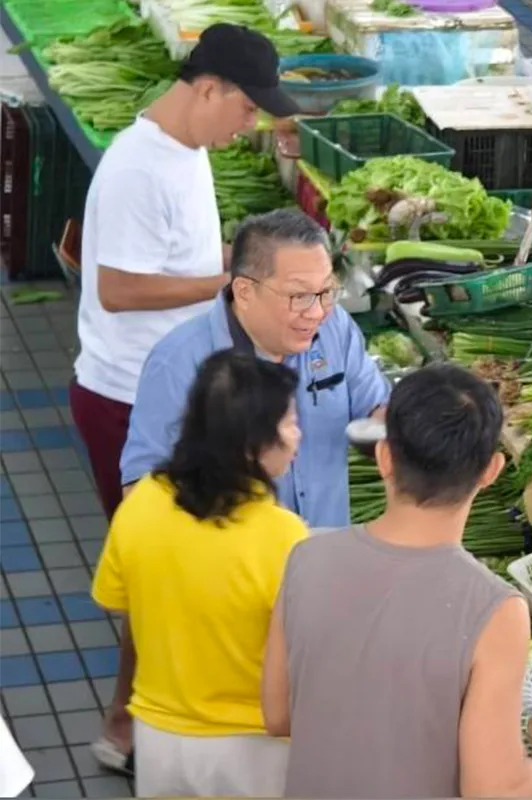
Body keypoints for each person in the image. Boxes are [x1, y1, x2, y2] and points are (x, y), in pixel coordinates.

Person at [261, 364, 532, 799]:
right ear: (491, 470)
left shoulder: (306, 558)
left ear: (385, 457)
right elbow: (493, 791)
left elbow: (278, 715)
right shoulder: (494, 609)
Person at [75, 24, 301, 771]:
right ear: (208, 89)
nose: (250, 123)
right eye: (247, 108)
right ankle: (125, 722)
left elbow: (175, 261)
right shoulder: (140, 168)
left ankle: (154, 714)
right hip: (128, 397)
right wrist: (229, 282)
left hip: (175, 384)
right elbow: (117, 289)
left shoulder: (187, 149)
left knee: (185, 555)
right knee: (161, 562)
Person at [101, 208, 388, 779]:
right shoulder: (180, 363)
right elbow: (141, 489)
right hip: (220, 603)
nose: (317, 312)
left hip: (315, 571)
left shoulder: (334, 331)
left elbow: (375, 405)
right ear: (245, 291)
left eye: (326, 292)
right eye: (299, 296)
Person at [90, 350, 307, 797]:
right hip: (252, 748)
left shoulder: (143, 502)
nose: (297, 435)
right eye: (289, 423)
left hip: (159, 738)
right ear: (252, 444)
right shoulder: (283, 535)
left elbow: (117, 599)